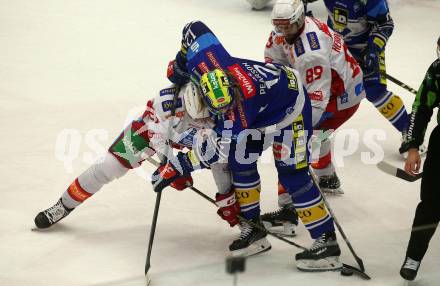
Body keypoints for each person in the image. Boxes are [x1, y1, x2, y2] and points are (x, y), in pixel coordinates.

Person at [153, 20, 343, 271]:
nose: (214, 117)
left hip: (292, 109)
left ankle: (327, 242)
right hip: (267, 103)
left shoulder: (237, 114)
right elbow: (193, 28)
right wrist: (180, 61)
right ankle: (254, 230)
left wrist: (178, 165)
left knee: (292, 172)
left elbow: (214, 151)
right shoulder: (206, 61)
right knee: (240, 161)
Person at [34, 82, 235, 229]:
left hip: (198, 139)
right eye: (201, 115)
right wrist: (170, 167)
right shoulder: (168, 100)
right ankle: (64, 205)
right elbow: (158, 139)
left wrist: (226, 196)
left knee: (224, 162)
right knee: (109, 166)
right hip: (154, 132)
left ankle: (245, 222)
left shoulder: (223, 105)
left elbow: (219, 154)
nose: (207, 118)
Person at [260, 0, 366, 236]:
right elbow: (273, 63)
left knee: (293, 146)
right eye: (280, 26)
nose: (283, 31)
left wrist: (294, 130)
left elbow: (316, 104)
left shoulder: (310, 53)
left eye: (288, 26)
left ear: (299, 20)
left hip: (342, 98)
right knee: (317, 134)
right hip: (339, 85)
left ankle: (288, 212)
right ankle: (327, 177)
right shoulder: (284, 30)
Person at [305, 0, 411, 154]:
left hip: (365, 49)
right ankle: (317, 135)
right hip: (334, 46)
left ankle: (410, 132)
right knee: (326, 90)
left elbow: (385, 24)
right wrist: (303, 16)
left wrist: (373, 49)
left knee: (375, 91)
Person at [400, 37, 440, 281]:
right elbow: (421, 108)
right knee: (431, 204)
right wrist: (413, 146)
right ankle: (413, 257)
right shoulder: (437, 70)